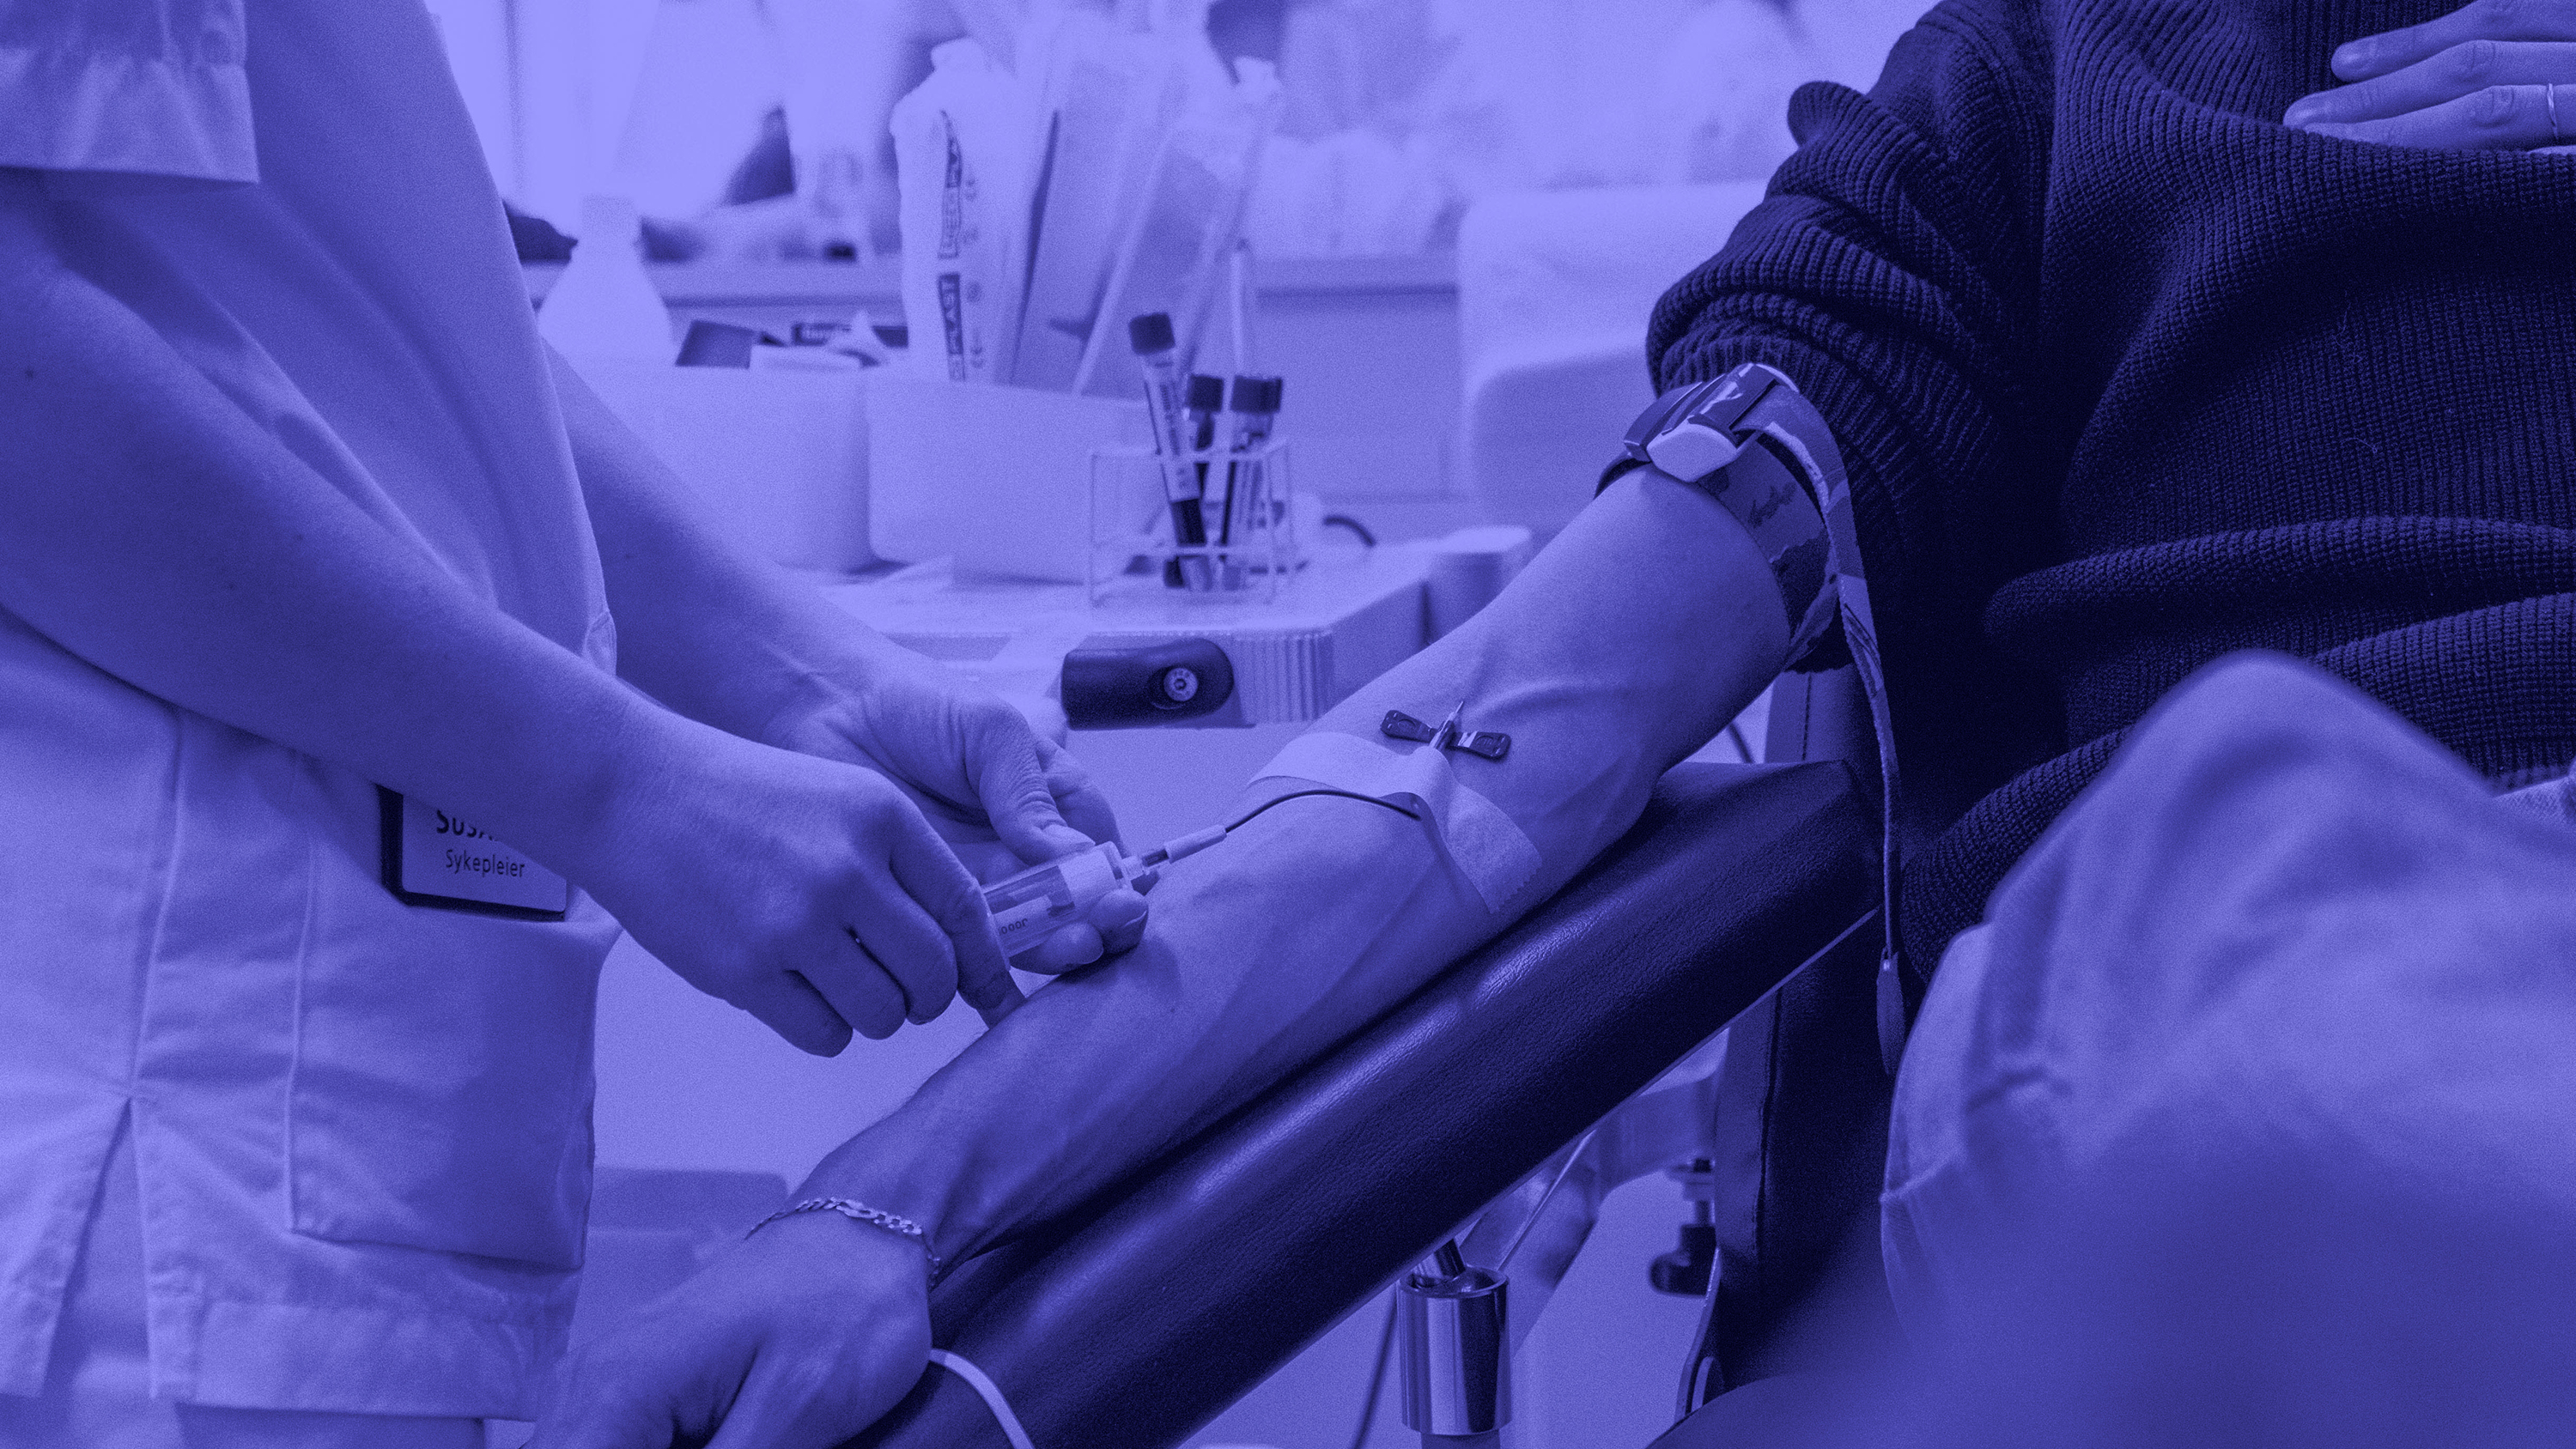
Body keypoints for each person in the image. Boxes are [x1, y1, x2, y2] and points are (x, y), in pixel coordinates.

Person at [544, 0, 2576, 1441]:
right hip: (2243, 977)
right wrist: (880, 1204)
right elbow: (1505, 736)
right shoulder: (2050, 83)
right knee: (2259, 838)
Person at [0, 1, 1142, 1444]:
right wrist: (619, 784)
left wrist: (809, 687)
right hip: (158, 1118)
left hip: (303, 1099)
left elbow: (403, 333)